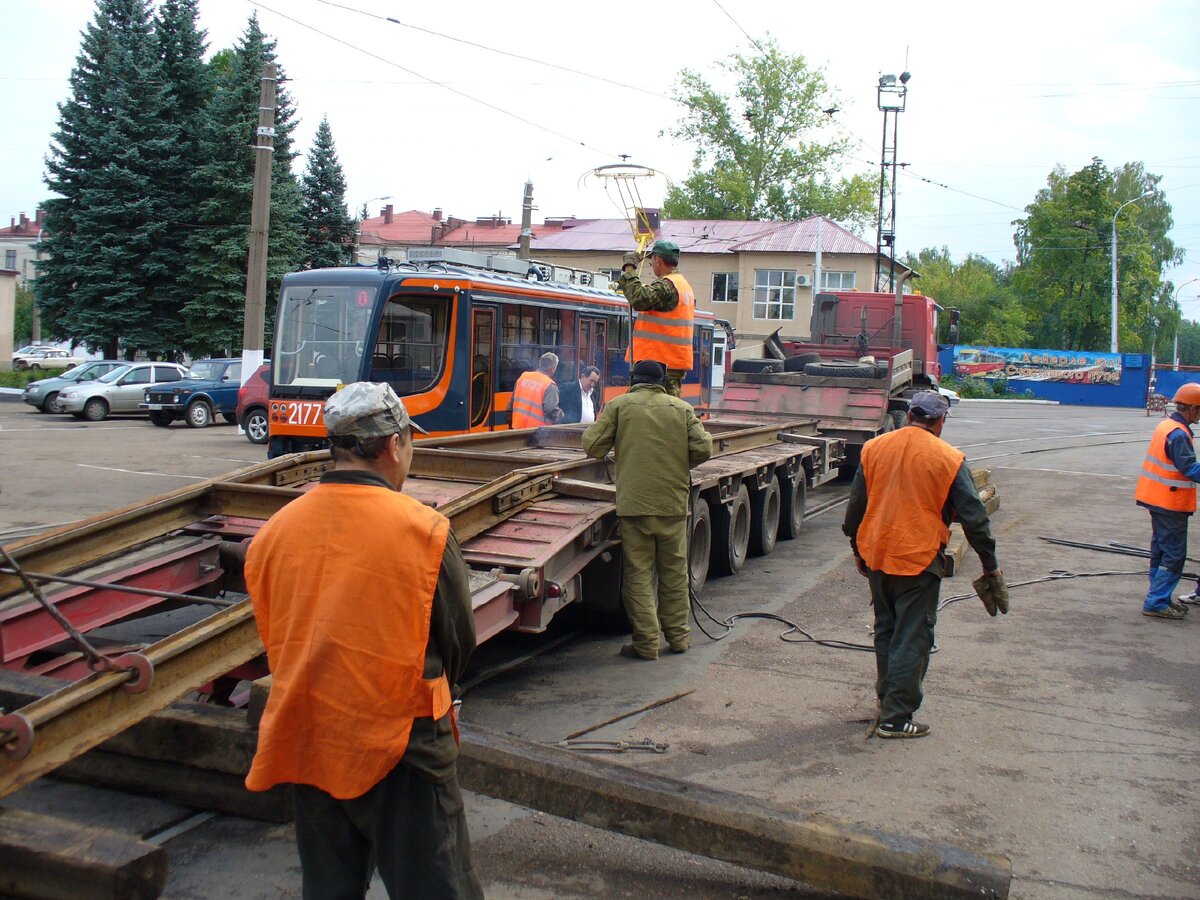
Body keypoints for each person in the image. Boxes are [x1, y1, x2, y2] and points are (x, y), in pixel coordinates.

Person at [244, 382, 483, 898]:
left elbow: (277, 635)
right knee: (438, 887)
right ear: (394, 445)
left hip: (311, 738)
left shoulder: (273, 534)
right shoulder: (424, 530)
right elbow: (459, 642)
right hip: (405, 749)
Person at [842, 390, 1002, 739]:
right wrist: (990, 565)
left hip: (878, 555)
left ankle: (888, 701)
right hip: (917, 558)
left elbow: (856, 507)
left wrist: (857, 548)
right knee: (912, 637)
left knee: (887, 630)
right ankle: (896, 719)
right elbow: (975, 519)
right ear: (940, 421)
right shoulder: (949, 458)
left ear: (911, 414)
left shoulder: (875, 448)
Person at [582, 359, 713, 659]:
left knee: (639, 576)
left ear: (633, 379)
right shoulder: (681, 409)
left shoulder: (619, 406)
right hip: (672, 504)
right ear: (663, 381)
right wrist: (681, 463)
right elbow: (703, 448)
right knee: (674, 573)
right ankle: (679, 638)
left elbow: (592, 445)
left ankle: (646, 644)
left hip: (635, 507)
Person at [1135, 382, 1200, 619]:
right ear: (1191, 409)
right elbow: (1189, 468)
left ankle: (1159, 597)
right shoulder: (1178, 434)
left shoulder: (1166, 425)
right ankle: (1157, 601)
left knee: (1161, 552)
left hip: (1156, 498)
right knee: (1174, 555)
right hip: (1170, 502)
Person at [617, 240, 695, 398]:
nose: (651, 264)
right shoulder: (682, 285)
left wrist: (629, 268)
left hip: (659, 366)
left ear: (658, 260)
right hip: (668, 364)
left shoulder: (667, 286)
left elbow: (638, 299)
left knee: (650, 412)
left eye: (652, 260)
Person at [510, 351, 564, 428]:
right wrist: (561, 416)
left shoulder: (524, 377)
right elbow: (551, 409)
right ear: (553, 369)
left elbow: (511, 402)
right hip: (536, 432)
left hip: (518, 426)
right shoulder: (550, 385)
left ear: (540, 364)